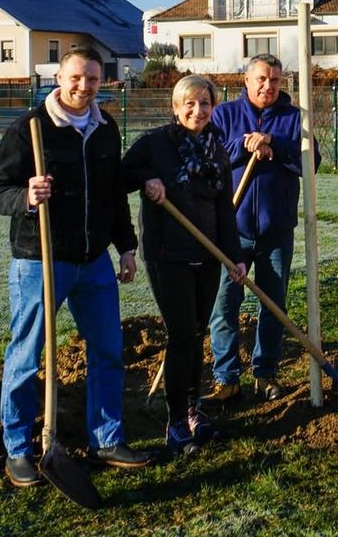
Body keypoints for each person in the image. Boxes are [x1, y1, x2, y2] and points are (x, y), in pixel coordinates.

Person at [0, 47, 153, 488]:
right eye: (76, 77)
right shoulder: (29, 129)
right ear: (59, 78)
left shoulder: (105, 129)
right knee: (26, 355)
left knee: (108, 351)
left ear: (102, 82)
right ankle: (19, 450)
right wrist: (26, 196)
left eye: (93, 79)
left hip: (94, 260)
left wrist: (127, 247)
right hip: (40, 261)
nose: (84, 86)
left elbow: (114, 194)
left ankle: (106, 439)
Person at [122, 74, 245, 455]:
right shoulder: (155, 143)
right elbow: (121, 176)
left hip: (207, 254)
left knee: (196, 335)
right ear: (175, 108)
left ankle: (194, 410)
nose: (198, 110)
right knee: (180, 337)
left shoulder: (217, 149)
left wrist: (234, 255)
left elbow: (224, 207)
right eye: (189, 103)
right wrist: (148, 178)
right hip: (167, 255)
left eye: (205, 103)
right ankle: (176, 422)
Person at [203, 54, 319, 403]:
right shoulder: (224, 115)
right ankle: (226, 378)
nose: (268, 86)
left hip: (275, 230)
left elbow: (311, 163)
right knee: (223, 305)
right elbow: (210, 158)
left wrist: (274, 143)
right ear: (247, 80)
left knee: (272, 305)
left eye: (275, 80)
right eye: (262, 79)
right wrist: (243, 145)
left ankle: (265, 373)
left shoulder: (294, 119)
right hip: (230, 229)